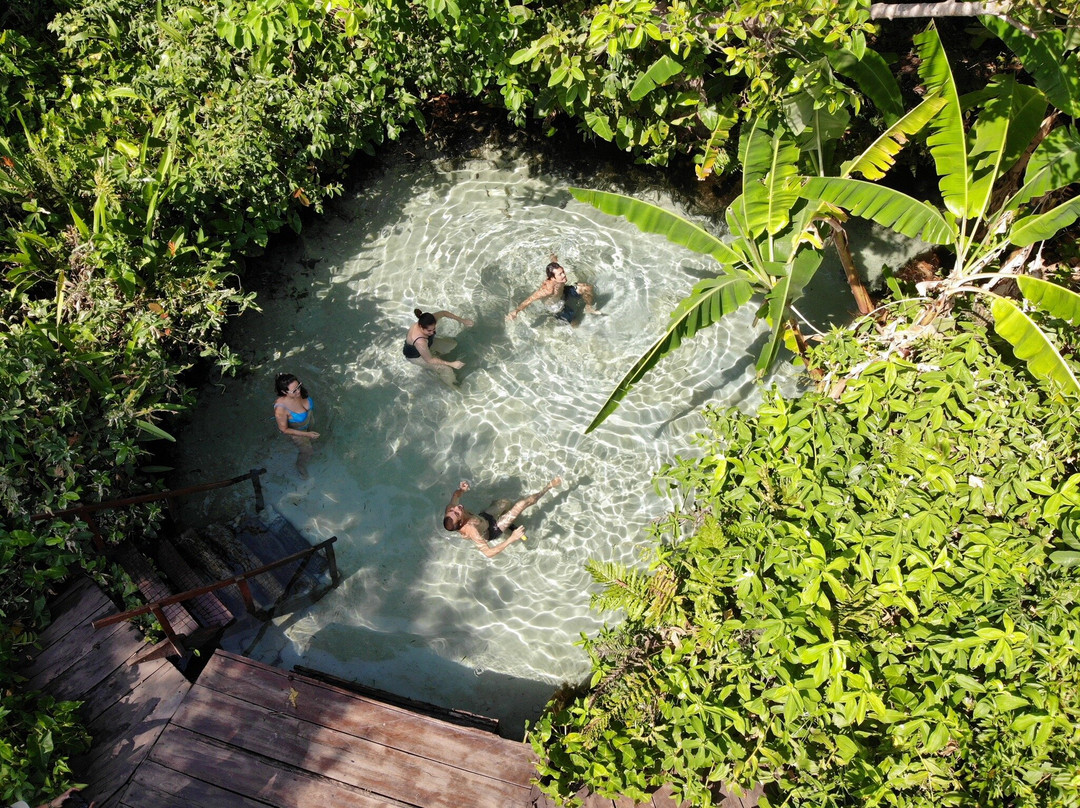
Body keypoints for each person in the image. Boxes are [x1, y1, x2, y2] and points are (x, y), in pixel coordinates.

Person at [443, 477, 561, 558]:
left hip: (483, 518)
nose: (457, 508)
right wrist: (512, 539)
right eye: (457, 513)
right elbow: (488, 553)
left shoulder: (450, 510)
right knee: (521, 505)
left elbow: (455, 495)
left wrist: (461, 490)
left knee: (504, 503)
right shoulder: (471, 530)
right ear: (460, 523)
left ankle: (507, 522)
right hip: (491, 530)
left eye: (453, 510)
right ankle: (548, 487)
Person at [506, 254, 598, 325]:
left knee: (587, 288)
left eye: (563, 272)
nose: (564, 275)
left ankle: (588, 307)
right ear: (553, 278)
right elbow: (530, 299)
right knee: (576, 322)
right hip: (557, 306)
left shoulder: (557, 275)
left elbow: (554, 263)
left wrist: (553, 256)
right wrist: (516, 311)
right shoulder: (547, 290)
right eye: (560, 274)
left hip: (563, 293)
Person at [404, 308, 473, 386]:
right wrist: (451, 364)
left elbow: (444, 313)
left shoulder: (429, 320)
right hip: (416, 356)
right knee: (446, 369)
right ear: (421, 327)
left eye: (434, 329)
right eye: (429, 331)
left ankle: (437, 354)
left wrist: (463, 320)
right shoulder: (419, 341)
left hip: (428, 344)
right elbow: (429, 360)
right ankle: (454, 386)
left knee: (452, 344)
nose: (433, 332)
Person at [274, 373, 319, 478]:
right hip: (297, 430)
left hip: (309, 420)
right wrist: (307, 434)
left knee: (315, 440)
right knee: (308, 451)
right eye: (294, 391)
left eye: (299, 386)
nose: (298, 391)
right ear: (284, 392)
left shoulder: (299, 392)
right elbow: (284, 429)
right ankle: (300, 467)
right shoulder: (280, 408)